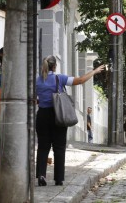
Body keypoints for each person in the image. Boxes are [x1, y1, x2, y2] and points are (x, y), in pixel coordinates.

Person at [35, 55, 105, 186]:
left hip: (42, 115)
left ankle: (41, 175)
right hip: (58, 115)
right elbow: (80, 80)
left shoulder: (38, 81)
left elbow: (33, 98)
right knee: (59, 147)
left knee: (43, 147)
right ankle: (59, 178)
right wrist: (94, 71)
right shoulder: (59, 78)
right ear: (54, 66)